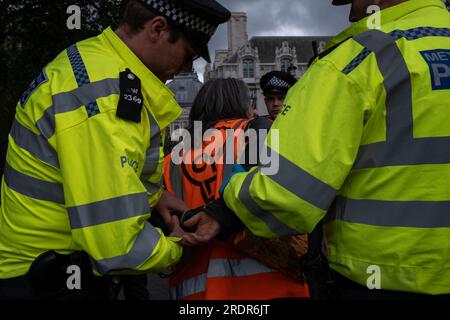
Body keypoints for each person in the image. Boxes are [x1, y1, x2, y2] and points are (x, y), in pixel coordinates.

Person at [180, 0, 450, 299]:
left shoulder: (355, 60)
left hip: (383, 276)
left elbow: (286, 196)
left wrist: (226, 203)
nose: (349, 13)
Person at [0, 0, 230, 300]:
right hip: (48, 282)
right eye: (188, 55)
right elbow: (117, 244)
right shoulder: (107, 97)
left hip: (42, 270)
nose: (187, 68)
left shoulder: (93, 62)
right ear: (157, 29)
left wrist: (156, 197)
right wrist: (180, 247)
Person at [164, 78, 309, 300]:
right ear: (243, 104)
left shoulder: (171, 161)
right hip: (269, 283)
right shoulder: (259, 135)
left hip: (194, 288)